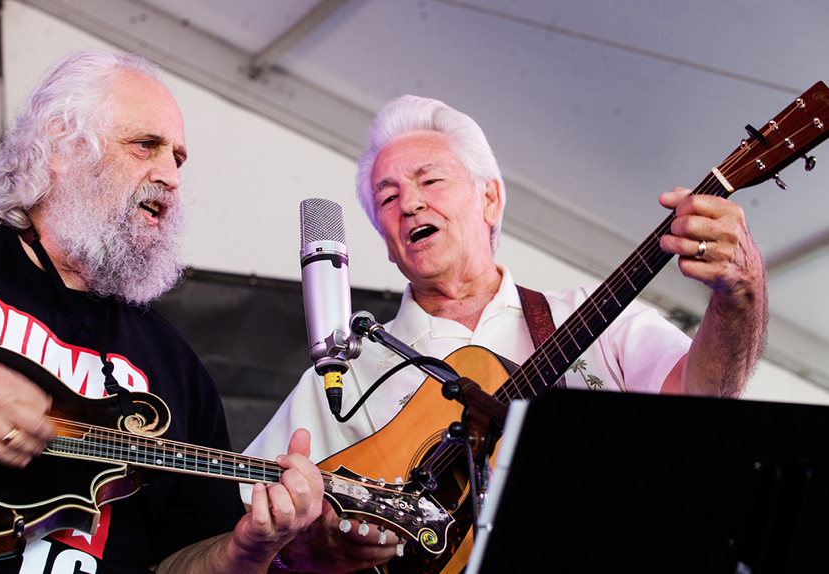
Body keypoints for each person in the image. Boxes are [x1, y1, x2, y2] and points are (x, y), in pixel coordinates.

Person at [241, 94, 769, 573]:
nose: (409, 204)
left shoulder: (595, 318)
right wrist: (303, 549)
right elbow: (246, 529)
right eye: (388, 198)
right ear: (384, 239)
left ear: (490, 199)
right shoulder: (342, 376)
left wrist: (741, 294)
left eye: (431, 180)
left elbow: (706, 403)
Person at [0, 49, 323, 574]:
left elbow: (175, 562)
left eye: (177, 158)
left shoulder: (176, 368)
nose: (172, 177)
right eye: (145, 145)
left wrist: (245, 551)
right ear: (61, 146)